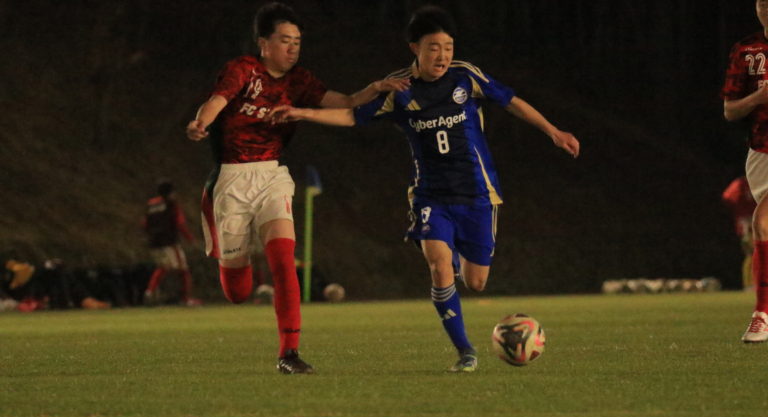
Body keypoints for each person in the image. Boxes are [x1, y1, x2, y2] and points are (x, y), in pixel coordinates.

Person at [269, 6, 579, 371]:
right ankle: (465, 352)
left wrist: (553, 131)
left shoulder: (465, 76)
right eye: (434, 47)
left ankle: (456, 260)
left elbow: (511, 102)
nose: (443, 55)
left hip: (478, 193)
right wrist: (303, 113)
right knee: (439, 266)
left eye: (448, 47)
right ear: (415, 48)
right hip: (431, 195)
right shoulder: (399, 88)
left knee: (476, 282)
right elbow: (353, 115)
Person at [185, 2, 409, 373]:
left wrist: (375, 88)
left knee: (283, 261)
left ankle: (288, 354)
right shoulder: (244, 69)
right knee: (237, 292)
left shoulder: (299, 81)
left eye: (297, 42)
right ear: (264, 43)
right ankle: (233, 255)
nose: (292, 48)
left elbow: (347, 103)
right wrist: (200, 123)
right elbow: (217, 101)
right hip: (232, 180)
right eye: (285, 40)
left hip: (272, 175)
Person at [722, 0, 768, 343]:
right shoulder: (746, 50)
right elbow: (730, 110)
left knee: (762, 222)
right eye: (762, 2)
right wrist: (758, 98)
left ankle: (761, 315)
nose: (766, 7)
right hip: (761, 151)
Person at [142, 180, 200, 306]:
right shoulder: (171, 204)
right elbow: (180, 223)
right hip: (169, 242)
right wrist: (190, 239)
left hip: (154, 243)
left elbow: (145, 224)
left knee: (164, 267)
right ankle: (186, 299)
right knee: (183, 270)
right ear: (170, 193)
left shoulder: (151, 205)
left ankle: (150, 292)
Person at [721, 176, 757, 289]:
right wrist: (741, 210)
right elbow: (727, 197)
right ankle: (749, 284)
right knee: (751, 254)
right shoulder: (740, 184)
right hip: (746, 224)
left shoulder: (761, 181)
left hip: (759, 222)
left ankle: (757, 282)